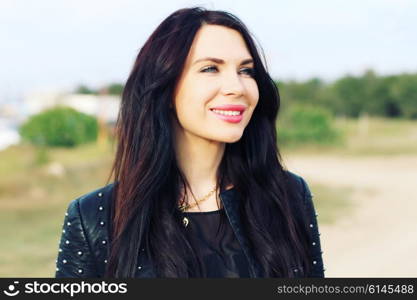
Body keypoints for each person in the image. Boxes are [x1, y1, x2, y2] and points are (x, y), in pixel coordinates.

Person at [55, 7, 324, 278]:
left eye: (246, 70)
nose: (237, 87)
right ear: (166, 87)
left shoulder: (289, 195)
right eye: (210, 68)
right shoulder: (94, 216)